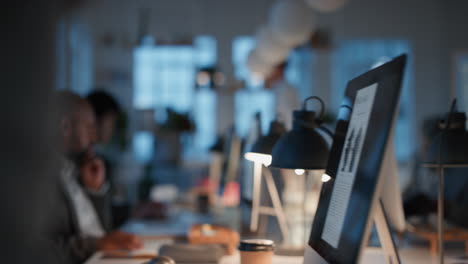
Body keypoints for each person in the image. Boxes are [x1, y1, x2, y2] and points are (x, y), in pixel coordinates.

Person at [53, 91, 142, 263]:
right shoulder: (39, 178)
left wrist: (95, 191)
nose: (94, 136)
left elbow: (99, 231)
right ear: (65, 127)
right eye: (89, 126)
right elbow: (36, 249)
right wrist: (95, 245)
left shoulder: (73, 169)